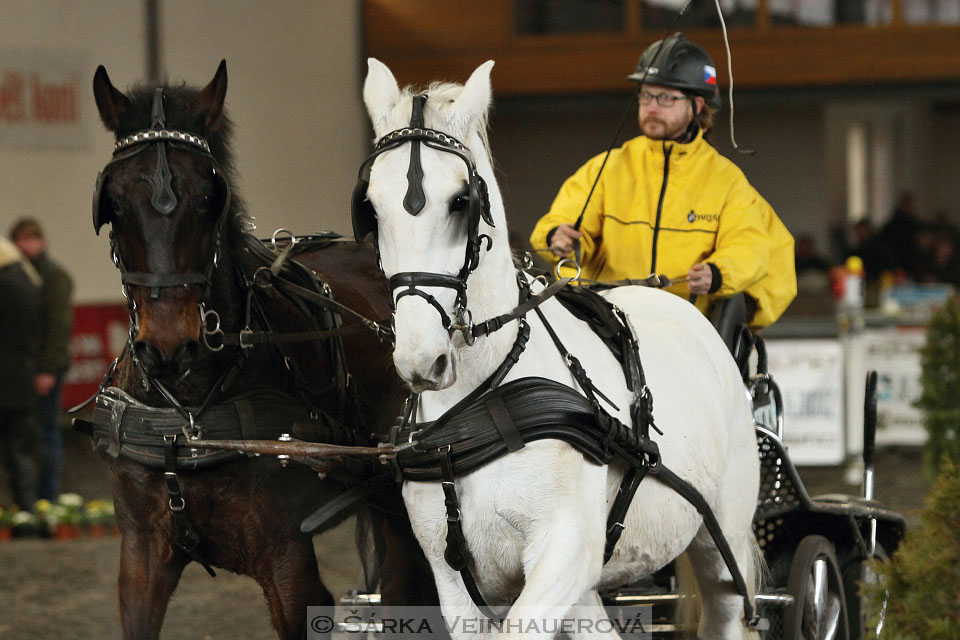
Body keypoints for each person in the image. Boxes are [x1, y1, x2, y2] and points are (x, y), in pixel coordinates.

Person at [529, 33, 796, 330]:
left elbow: (750, 245)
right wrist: (558, 237)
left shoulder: (727, 179)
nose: (652, 107)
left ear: (697, 106)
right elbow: (563, 220)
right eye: (645, 95)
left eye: (666, 97)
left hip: (688, 333)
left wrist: (718, 272)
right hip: (607, 329)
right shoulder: (608, 167)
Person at [10, 219, 74, 502]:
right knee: (27, 437)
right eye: (20, 239)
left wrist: (47, 369)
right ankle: (30, 499)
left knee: (48, 434)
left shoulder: (53, 276)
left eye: (30, 238)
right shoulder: (20, 275)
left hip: (45, 369)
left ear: (41, 241)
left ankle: (47, 499)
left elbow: (58, 327)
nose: (25, 245)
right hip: (25, 369)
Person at [0, 235, 43, 510]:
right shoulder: (27, 281)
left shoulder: (4, 284)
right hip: (21, 379)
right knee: (20, 452)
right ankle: (27, 513)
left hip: (4, 380)